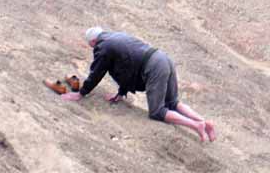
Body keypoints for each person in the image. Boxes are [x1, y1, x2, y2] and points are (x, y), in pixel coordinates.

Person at [62, 27, 216, 142]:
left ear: (93, 42)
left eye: (91, 46)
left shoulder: (103, 47)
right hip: (163, 58)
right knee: (173, 102)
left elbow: (97, 72)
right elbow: (127, 68)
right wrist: (121, 93)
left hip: (154, 67)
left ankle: (196, 126)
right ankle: (203, 121)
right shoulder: (116, 36)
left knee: (157, 111)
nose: (93, 48)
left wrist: (82, 93)